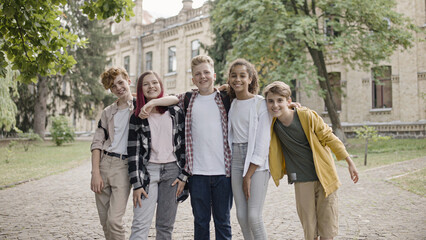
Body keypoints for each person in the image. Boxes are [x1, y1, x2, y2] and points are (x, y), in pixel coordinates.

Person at [140, 55, 233, 240]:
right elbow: (170, 99)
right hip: (197, 174)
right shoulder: (188, 99)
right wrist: (152, 102)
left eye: (206, 72)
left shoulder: (225, 98)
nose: (203, 76)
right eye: (198, 74)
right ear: (193, 79)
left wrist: (291, 106)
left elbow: (250, 98)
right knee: (200, 221)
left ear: (214, 75)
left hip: (224, 173)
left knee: (223, 221)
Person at [264, 81, 359, 240]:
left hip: (324, 177)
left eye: (280, 100)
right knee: (309, 230)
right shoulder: (271, 122)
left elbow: (328, 136)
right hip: (301, 180)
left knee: (327, 230)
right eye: (271, 101)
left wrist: (349, 161)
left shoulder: (306, 116)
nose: (275, 105)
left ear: (288, 101)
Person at [127, 71, 188, 240]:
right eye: (146, 84)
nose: (151, 86)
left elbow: (186, 146)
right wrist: (137, 184)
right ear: (140, 90)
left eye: (155, 82)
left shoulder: (175, 112)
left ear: (161, 85)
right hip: (148, 173)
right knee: (140, 224)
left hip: (172, 174)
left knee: (165, 226)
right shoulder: (137, 116)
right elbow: (133, 153)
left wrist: (184, 175)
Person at [226, 59, 271, 240]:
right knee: (241, 216)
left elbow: (262, 142)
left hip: (256, 163)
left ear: (250, 79)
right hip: (236, 159)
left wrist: (249, 174)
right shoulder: (232, 104)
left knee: (254, 216)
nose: (238, 79)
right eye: (234, 76)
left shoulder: (260, 104)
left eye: (242, 76)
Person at [90, 67, 133, 240]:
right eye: (113, 86)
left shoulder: (141, 106)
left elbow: (173, 97)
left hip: (123, 167)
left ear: (128, 80)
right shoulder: (108, 112)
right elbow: (97, 143)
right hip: (104, 164)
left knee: (114, 220)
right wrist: (95, 173)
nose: (118, 88)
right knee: (105, 221)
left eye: (120, 82)